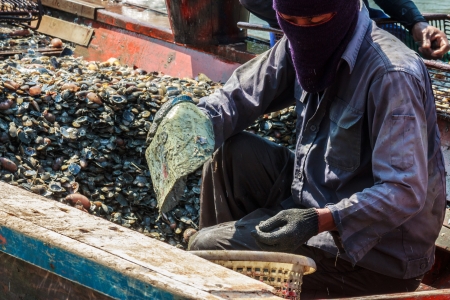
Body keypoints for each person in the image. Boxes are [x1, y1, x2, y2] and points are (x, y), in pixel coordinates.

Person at [157, 0, 447, 298]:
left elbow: (403, 191)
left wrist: (320, 220)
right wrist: (194, 119)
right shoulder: (298, 42)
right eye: (290, 20)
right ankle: (236, 277)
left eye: (316, 20)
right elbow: (239, 96)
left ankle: (226, 262)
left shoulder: (392, 74)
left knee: (204, 246)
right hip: (314, 198)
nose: (305, 31)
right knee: (232, 155)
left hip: (372, 259)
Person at [241, 0, 450, 59]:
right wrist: (307, 19)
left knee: (416, 50)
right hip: (300, 39)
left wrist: (417, 23)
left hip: (358, 20)